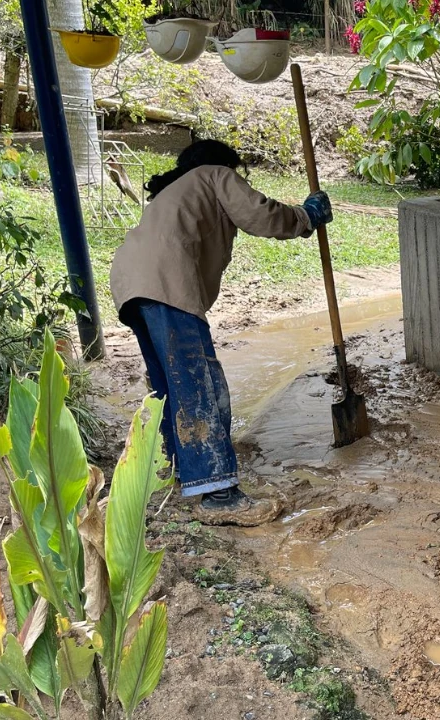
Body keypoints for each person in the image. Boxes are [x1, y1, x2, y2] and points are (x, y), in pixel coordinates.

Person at [110, 139, 333, 527]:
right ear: (223, 165)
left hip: (131, 286)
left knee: (170, 387)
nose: (238, 177)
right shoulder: (215, 175)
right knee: (200, 386)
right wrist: (306, 216)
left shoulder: (175, 192)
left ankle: (180, 471)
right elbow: (260, 215)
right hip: (165, 284)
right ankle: (216, 492)